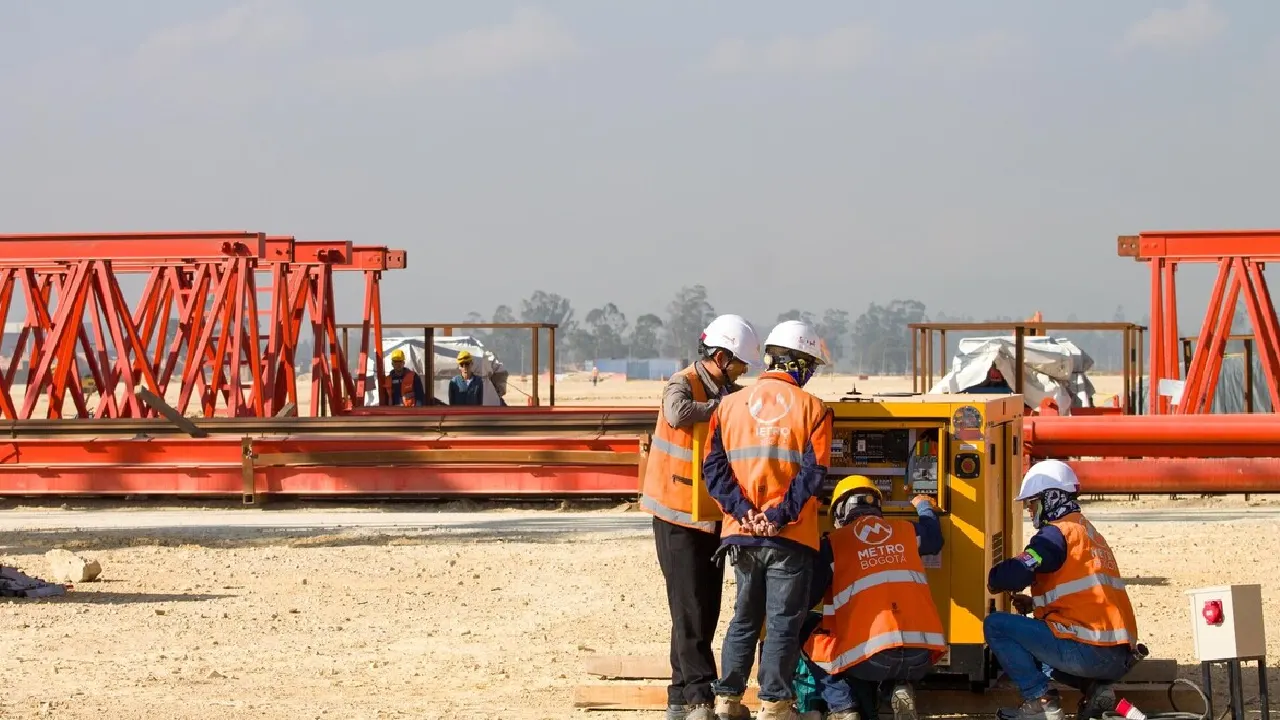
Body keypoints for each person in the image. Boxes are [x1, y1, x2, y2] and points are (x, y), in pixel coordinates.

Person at [703, 319, 834, 720]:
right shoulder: (815, 409)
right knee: (782, 622)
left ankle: (727, 700)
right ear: (798, 363)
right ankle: (774, 704)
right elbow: (814, 474)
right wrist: (778, 517)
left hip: (741, 535)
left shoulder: (729, 406)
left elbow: (714, 470)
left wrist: (745, 514)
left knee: (744, 617)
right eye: (809, 364)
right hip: (789, 536)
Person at [638, 314, 762, 720]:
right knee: (690, 606)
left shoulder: (727, 388)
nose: (743, 371)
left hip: (708, 515)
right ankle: (698, 696)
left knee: (702, 606)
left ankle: (678, 694)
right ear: (721, 356)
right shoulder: (683, 382)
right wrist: (724, 406)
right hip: (676, 515)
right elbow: (677, 413)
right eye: (740, 363)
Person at [985, 460, 1144, 720]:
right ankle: (1094, 690)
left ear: (1050, 498)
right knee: (1034, 639)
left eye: (1032, 502)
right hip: (1116, 656)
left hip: (1088, 652)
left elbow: (1017, 572)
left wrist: (996, 579)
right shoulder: (1088, 532)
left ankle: (1040, 701)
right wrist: (1036, 606)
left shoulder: (1056, 535)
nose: (1028, 509)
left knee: (996, 626)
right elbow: (1082, 597)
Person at [800, 476, 947, 720]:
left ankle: (843, 708)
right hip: (921, 657)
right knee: (889, 654)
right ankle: (898, 687)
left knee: (803, 626)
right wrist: (923, 505)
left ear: (839, 511)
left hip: (869, 657)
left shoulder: (833, 544)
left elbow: (806, 599)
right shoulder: (907, 531)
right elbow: (934, 538)